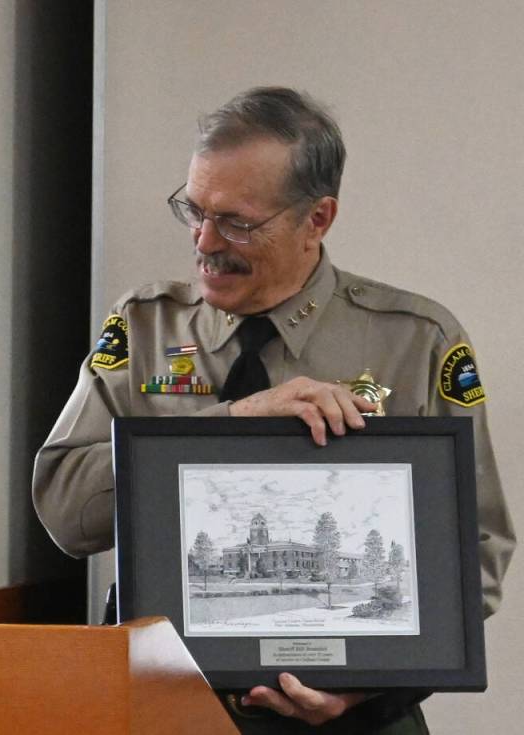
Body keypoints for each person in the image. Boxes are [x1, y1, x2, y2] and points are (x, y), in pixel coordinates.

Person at [33, 87, 514, 733]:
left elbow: (478, 548)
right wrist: (228, 423)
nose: (205, 241)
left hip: (355, 721)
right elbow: (65, 513)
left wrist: (368, 689)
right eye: (194, 210)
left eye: (238, 222)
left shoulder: (414, 340)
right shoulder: (146, 327)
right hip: (161, 709)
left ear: (317, 219)